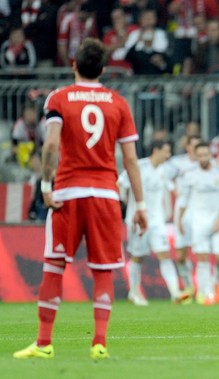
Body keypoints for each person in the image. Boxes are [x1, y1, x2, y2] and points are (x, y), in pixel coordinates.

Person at [13, 38, 147, 360]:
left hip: (69, 193)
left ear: (73, 64)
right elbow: (130, 159)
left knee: (54, 267)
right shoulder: (118, 103)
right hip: (104, 194)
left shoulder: (59, 98)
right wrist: (140, 205)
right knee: (103, 271)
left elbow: (50, 146)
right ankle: (99, 343)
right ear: (103, 68)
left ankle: (44, 344)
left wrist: (46, 185)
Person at [118, 139, 186, 306]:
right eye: (166, 151)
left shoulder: (165, 170)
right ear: (156, 150)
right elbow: (120, 183)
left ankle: (175, 293)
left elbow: (170, 189)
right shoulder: (139, 166)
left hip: (157, 221)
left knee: (164, 253)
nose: (168, 155)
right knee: (137, 257)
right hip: (138, 220)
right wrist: (125, 204)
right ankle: (134, 292)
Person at [177, 142, 219, 305]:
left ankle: (215, 281)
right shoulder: (190, 175)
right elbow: (184, 198)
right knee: (202, 257)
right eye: (200, 155)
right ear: (195, 156)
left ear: (211, 155)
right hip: (198, 219)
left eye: (205, 155)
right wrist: (180, 219)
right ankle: (205, 292)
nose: (203, 158)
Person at [164, 135, 201, 301]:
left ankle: (205, 287)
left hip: (200, 209)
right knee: (181, 255)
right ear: (187, 147)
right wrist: (173, 188)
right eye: (193, 145)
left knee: (202, 252)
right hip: (182, 209)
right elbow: (163, 175)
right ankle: (188, 287)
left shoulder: (206, 164)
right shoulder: (177, 163)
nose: (196, 149)